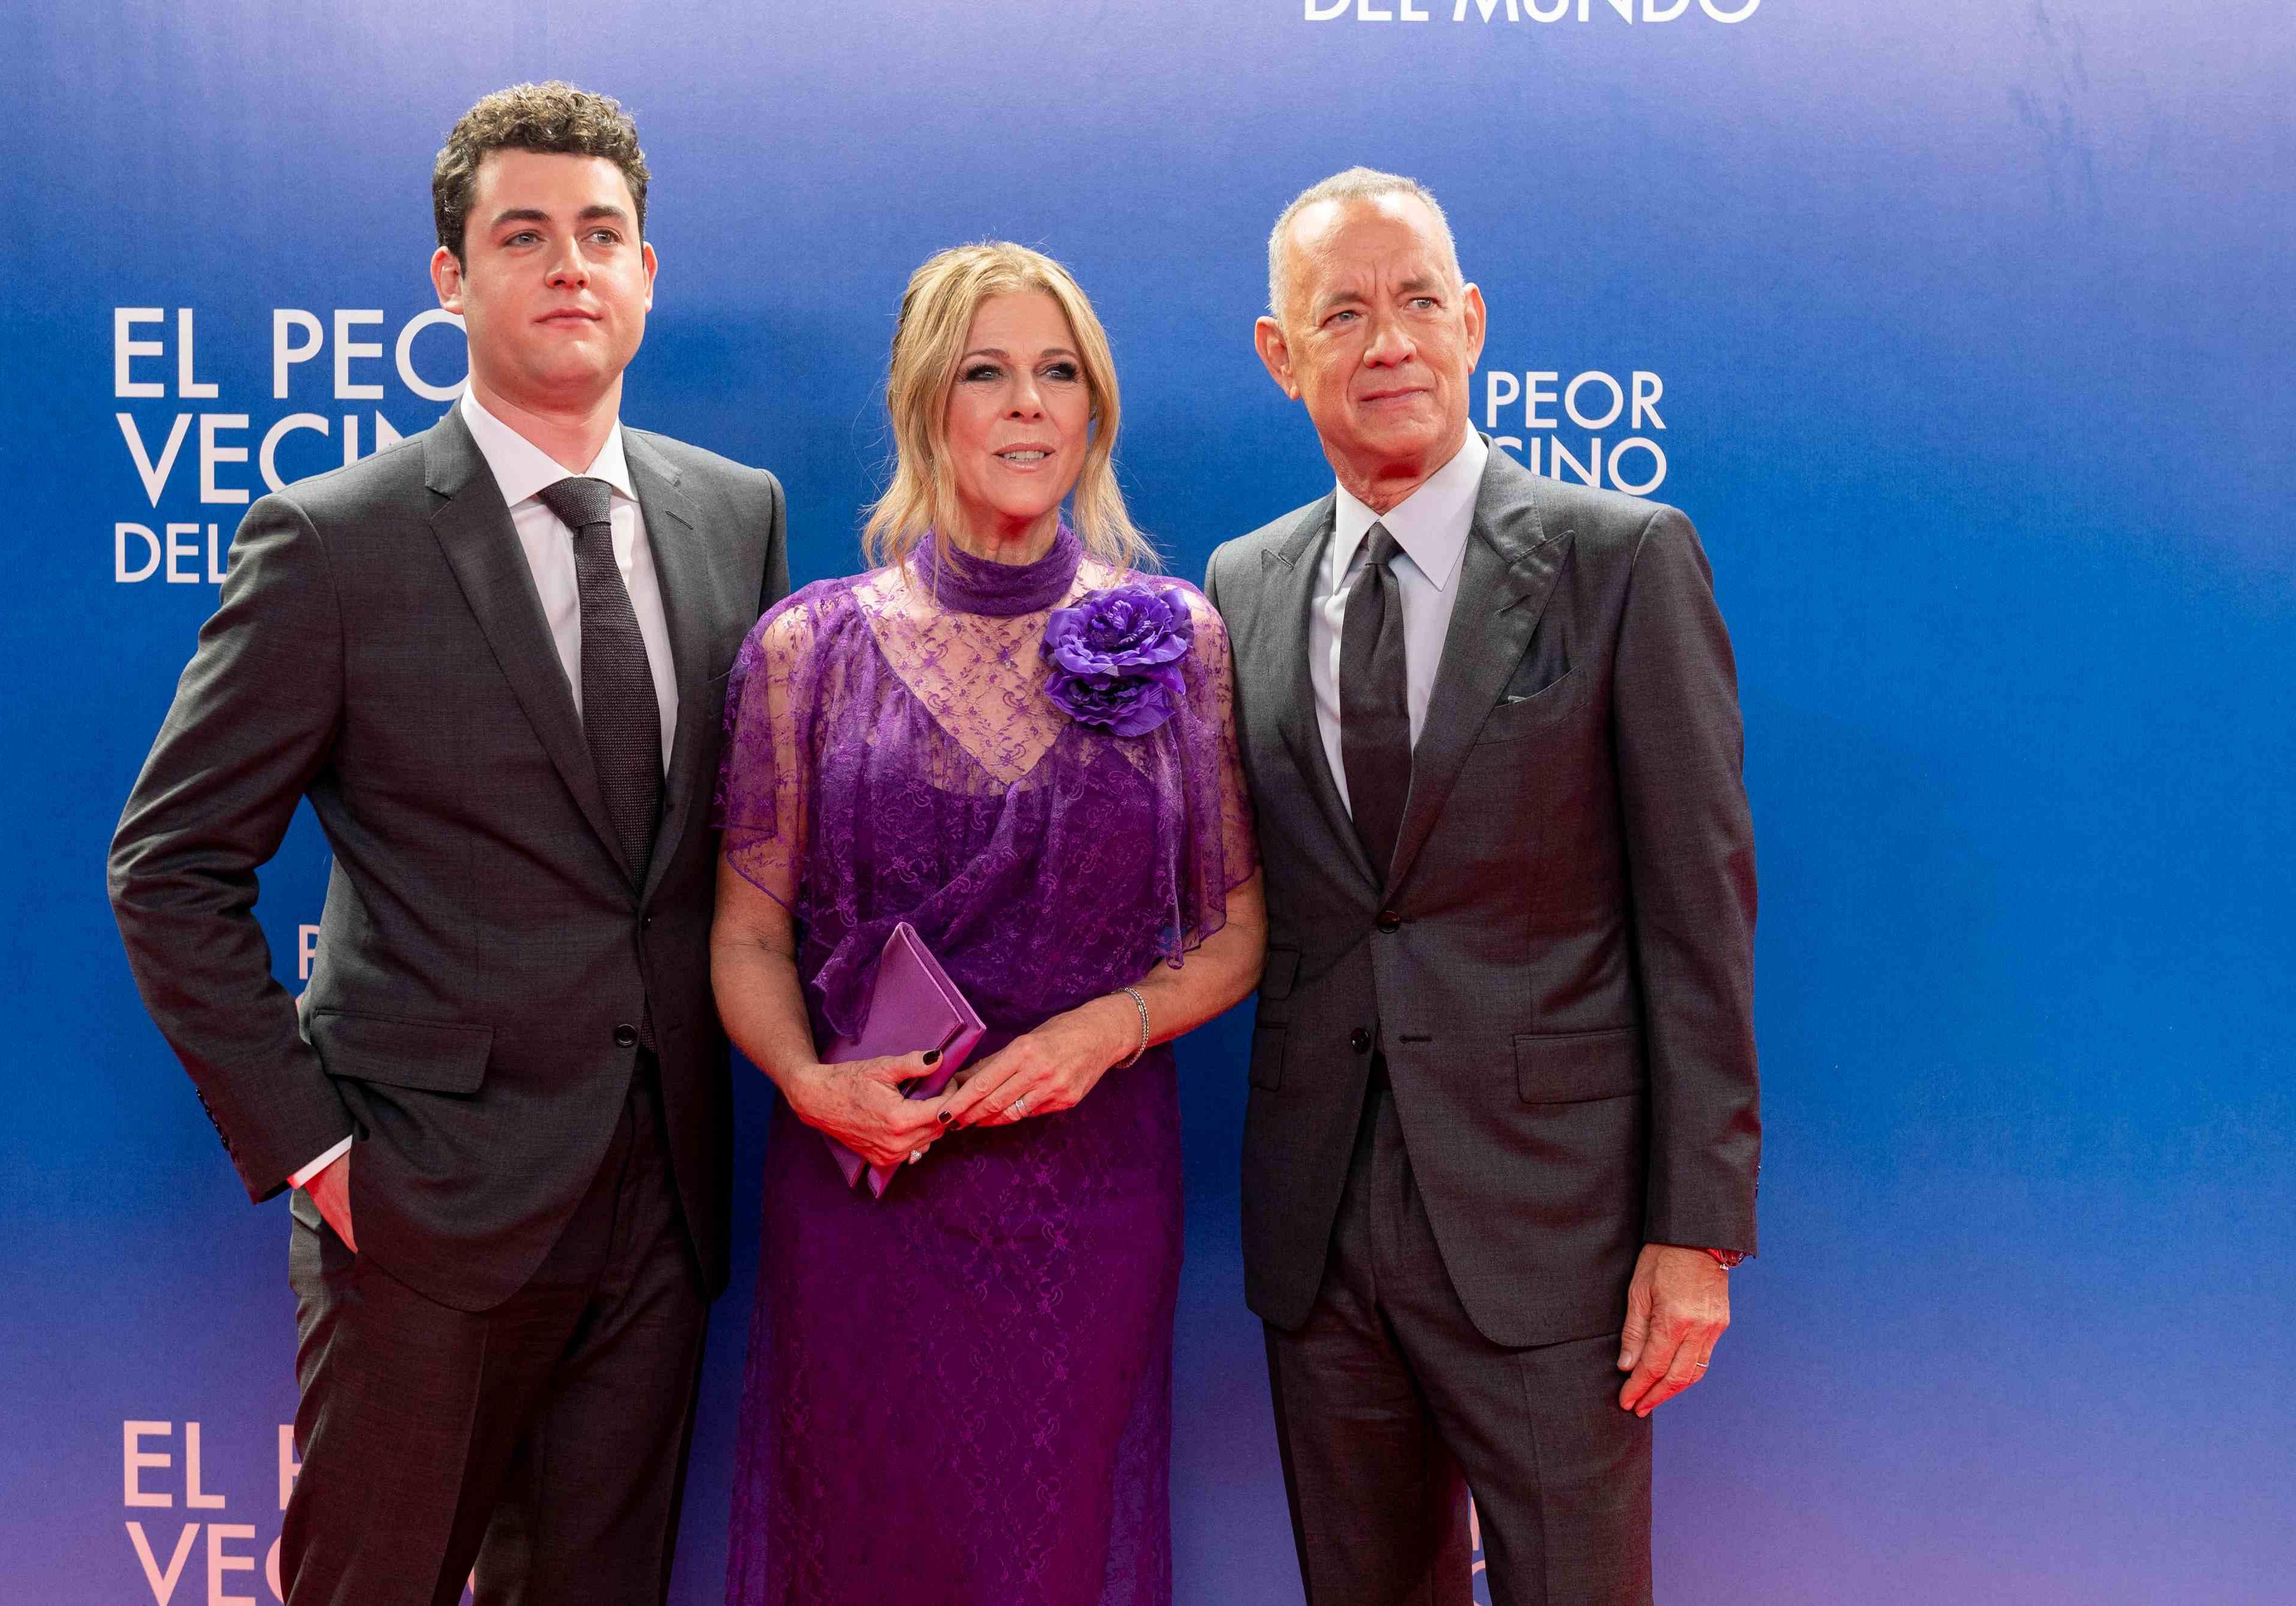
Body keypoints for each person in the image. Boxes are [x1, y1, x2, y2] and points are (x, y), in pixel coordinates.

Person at [106, 83, 786, 1605]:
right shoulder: (331, 539)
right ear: (451, 278)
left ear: (646, 273)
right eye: (523, 234)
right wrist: (318, 1152)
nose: (569, 266)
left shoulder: (734, 513)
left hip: (661, 1210)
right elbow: (169, 864)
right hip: (420, 1209)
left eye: (599, 234)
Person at [1203, 168, 1762, 1606]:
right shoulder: (1240, 583)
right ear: (1280, 354)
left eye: (1414, 301)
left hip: (1554, 1235)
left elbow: (1697, 918)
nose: (1387, 340)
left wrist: (1693, 1230)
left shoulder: (1619, 559)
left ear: (1470, 320)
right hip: (1319, 1233)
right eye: (1342, 312)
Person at [711, 241, 1263, 1606]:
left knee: (1049, 1552)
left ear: (1093, 411)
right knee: (861, 1549)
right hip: (869, 1181)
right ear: (925, 405)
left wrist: (1108, 1028)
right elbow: (745, 937)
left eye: (1057, 373)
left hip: (1088, 1195)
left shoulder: (1178, 638)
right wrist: (808, 1082)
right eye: (987, 373)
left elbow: (1234, 932)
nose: (1027, 403)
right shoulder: (805, 649)